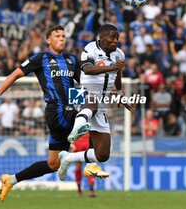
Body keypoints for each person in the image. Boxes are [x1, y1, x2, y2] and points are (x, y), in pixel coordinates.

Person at [0, 25, 108, 202]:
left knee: (53, 164)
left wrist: (103, 77)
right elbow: (15, 74)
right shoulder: (41, 58)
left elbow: (85, 85)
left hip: (69, 109)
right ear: (48, 40)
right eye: (57, 36)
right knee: (92, 113)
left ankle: (11, 179)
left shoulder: (71, 59)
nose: (62, 38)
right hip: (57, 111)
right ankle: (86, 162)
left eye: (63, 35)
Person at [57, 24, 133, 181]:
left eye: (117, 38)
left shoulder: (119, 54)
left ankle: (68, 158)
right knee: (92, 101)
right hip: (81, 93)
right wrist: (111, 67)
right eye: (112, 37)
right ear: (101, 38)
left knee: (102, 154)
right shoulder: (90, 48)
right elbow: (87, 69)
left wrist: (119, 93)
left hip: (102, 101)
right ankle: (77, 129)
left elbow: (117, 73)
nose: (115, 41)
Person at [70, 133, 96, 197]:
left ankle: (87, 190)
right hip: (81, 141)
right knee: (85, 167)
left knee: (88, 167)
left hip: (85, 141)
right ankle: (86, 190)